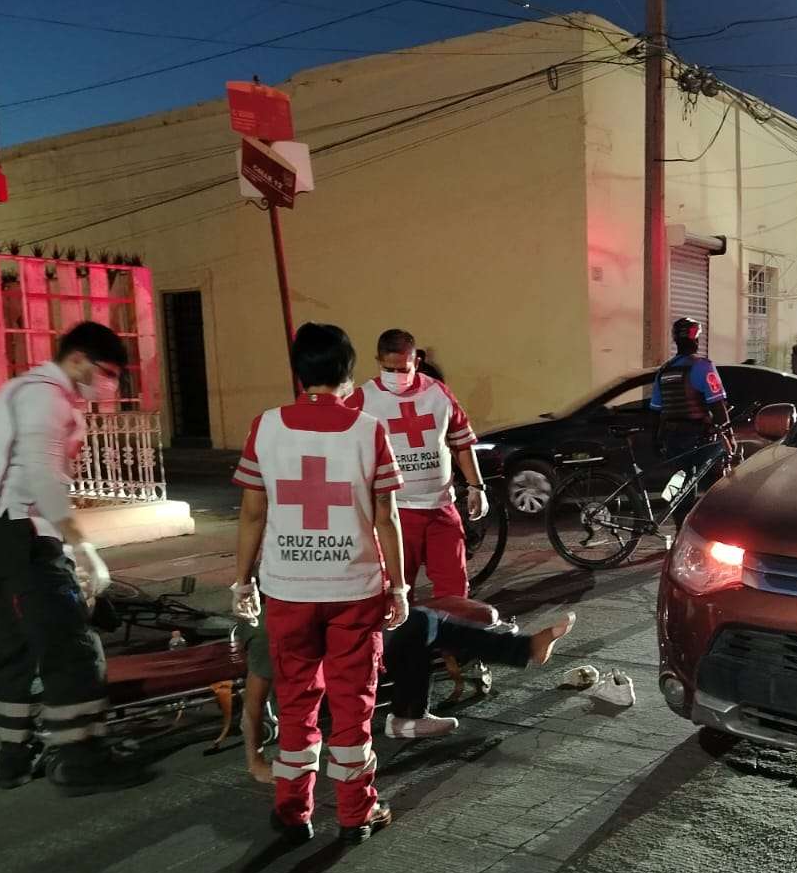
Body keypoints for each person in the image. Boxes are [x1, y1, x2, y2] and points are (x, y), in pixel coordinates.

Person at [231, 322, 408, 846]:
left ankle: (293, 813)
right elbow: (386, 516)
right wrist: (399, 586)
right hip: (354, 589)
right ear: (348, 372)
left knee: (296, 701)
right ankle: (356, 813)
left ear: (299, 371)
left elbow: (252, 514)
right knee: (353, 704)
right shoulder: (368, 430)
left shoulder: (264, 427)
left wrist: (241, 581)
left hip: (288, 589)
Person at [0, 321, 147, 795]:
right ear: (78, 359)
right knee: (73, 647)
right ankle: (82, 759)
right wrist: (82, 548)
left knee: (18, 645)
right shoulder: (48, 399)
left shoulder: (18, 390)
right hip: (20, 532)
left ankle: (15, 757)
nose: (110, 384)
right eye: (107, 372)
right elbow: (43, 480)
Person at [239, 606, 577, 779]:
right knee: (418, 626)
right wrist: (256, 762)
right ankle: (406, 718)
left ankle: (409, 716)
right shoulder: (271, 632)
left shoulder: (314, 602)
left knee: (419, 623)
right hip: (330, 700)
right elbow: (252, 705)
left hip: (349, 671)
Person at [353, 328, 486, 601]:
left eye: (403, 368)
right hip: (394, 514)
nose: (396, 375)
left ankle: (453, 628)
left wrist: (477, 487)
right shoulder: (362, 400)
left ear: (416, 361)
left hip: (441, 509)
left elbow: (461, 443)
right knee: (398, 592)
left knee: (455, 590)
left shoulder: (438, 394)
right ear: (378, 361)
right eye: (388, 369)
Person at [649, 316, 734, 473]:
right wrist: (729, 436)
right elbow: (718, 406)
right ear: (696, 340)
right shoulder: (703, 366)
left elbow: (655, 411)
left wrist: (655, 440)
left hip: (671, 439)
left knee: (680, 480)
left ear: (676, 341)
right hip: (698, 438)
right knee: (710, 479)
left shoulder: (663, 371)